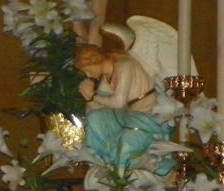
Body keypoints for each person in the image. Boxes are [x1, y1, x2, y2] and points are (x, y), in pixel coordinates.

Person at [75, 43, 175, 179]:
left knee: (124, 152)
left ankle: (158, 165)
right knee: (95, 118)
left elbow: (118, 102)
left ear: (96, 61)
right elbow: (98, 108)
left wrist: (93, 95)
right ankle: (101, 161)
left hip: (148, 115)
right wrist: (88, 97)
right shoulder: (107, 75)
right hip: (130, 115)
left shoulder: (124, 65)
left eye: (88, 70)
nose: (88, 74)